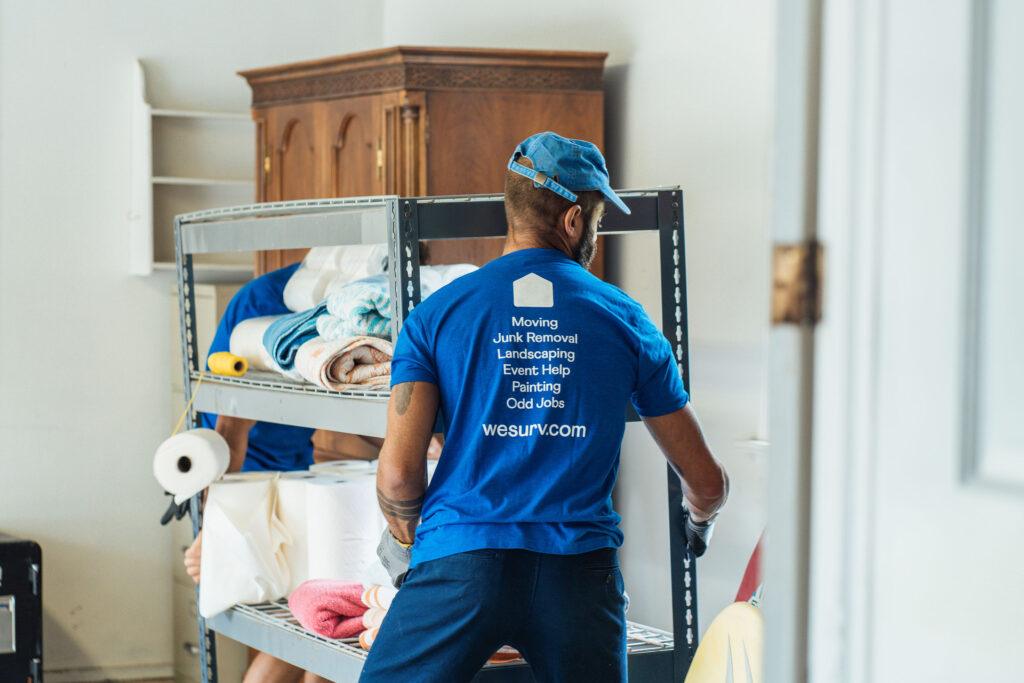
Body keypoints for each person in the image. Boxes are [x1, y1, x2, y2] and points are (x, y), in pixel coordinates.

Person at [363, 132, 730, 682]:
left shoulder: (435, 316)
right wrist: (699, 521)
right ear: (574, 220)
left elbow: (397, 477)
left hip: (463, 558)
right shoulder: (626, 320)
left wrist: (405, 547)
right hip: (578, 575)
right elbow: (706, 482)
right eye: (598, 220)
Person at [182, 263, 378, 683]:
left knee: (315, 616)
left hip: (296, 476)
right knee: (294, 623)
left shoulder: (355, 309)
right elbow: (231, 430)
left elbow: (352, 391)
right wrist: (214, 533)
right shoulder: (262, 306)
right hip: (241, 480)